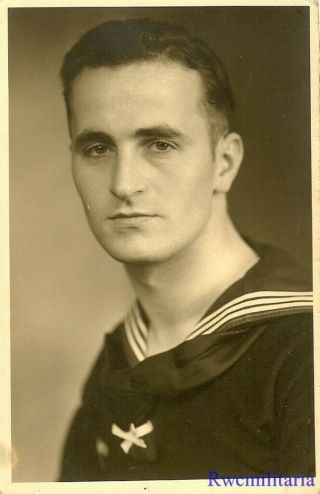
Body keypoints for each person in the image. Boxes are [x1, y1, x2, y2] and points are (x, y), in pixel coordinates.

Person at [58, 18, 314, 481]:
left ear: (224, 163)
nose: (123, 184)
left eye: (160, 144)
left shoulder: (302, 350)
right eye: (97, 148)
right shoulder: (115, 366)